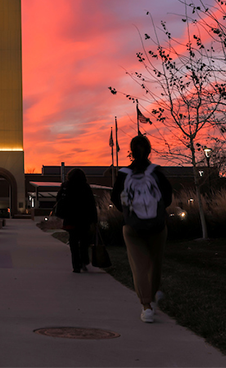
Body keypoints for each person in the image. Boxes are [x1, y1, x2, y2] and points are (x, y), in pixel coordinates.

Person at [112, 135, 173, 323]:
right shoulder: (157, 172)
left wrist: (129, 212)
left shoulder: (123, 174)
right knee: (155, 264)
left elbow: (115, 199)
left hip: (132, 227)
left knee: (139, 266)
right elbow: (168, 198)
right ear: (149, 151)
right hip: (157, 226)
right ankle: (153, 297)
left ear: (131, 151)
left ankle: (146, 306)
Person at [54, 168, 98, 272]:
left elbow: (58, 199)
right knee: (84, 241)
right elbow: (91, 203)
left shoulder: (65, 186)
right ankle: (84, 261)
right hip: (84, 219)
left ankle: (76, 266)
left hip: (70, 219)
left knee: (73, 242)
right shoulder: (85, 187)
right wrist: (94, 219)